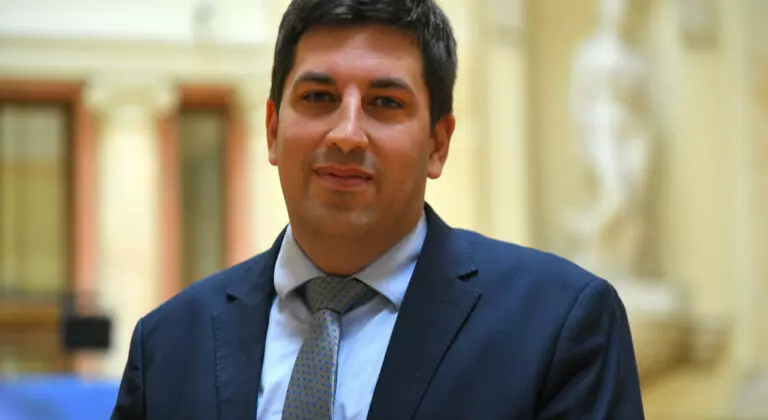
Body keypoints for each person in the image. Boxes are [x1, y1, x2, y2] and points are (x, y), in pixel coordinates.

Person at [112, 0, 645, 418]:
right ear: (272, 130)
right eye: (319, 98)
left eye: (385, 103)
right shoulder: (167, 345)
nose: (346, 134)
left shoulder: (558, 325)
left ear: (438, 144)